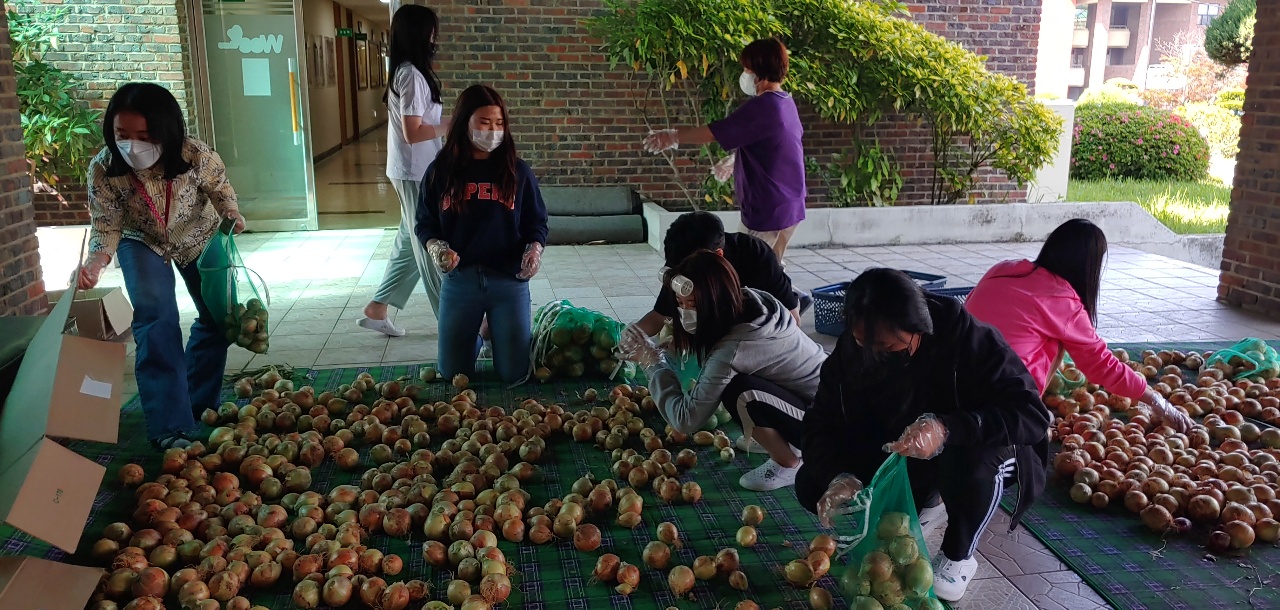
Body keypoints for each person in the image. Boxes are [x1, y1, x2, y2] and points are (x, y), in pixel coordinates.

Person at [796, 268, 1052, 603]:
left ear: (919, 329)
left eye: (888, 345)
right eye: (863, 343)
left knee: (970, 464)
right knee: (810, 484)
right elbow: (819, 422)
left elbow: (1032, 415)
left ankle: (959, 555)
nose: (874, 353)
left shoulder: (968, 341)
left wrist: (947, 428)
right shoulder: (851, 351)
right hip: (902, 452)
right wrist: (837, 475)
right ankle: (930, 500)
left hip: (969, 448)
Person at [78, 83, 245, 450]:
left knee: (218, 317)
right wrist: (97, 261)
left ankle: (198, 402)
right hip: (142, 242)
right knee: (157, 318)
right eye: (122, 135)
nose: (132, 145)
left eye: (144, 135)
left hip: (198, 236)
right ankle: (170, 426)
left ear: (166, 130)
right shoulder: (104, 168)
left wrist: (231, 214)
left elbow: (221, 189)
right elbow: (107, 223)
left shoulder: (195, 155)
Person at [619, 251, 827, 491]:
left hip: (825, 421)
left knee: (738, 392)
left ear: (715, 302)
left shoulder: (736, 348)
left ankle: (790, 463)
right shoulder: (748, 300)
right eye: (680, 304)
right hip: (816, 395)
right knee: (738, 385)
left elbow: (686, 421)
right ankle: (781, 437)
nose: (685, 312)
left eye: (694, 305)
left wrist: (651, 361)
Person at [965, 219, 1193, 432]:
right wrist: (1158, 401)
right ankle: (1025, 413)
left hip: (952, 377)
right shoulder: (1062, 299)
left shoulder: (1004, 268)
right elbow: (1101, 364)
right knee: (1058, 341)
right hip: (997, 398)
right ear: (1088, 266)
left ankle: (1028, 410)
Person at [416, 85, 548, 384]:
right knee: (453, 373)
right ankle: (477, 337)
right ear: (465, 123)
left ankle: (494, 332)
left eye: (499, 124)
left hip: (508, 281)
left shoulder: (518, 172)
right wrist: (436, 247)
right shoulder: (441, 172)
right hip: (460, 281)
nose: (493, 131)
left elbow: (537, 223)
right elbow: (424, 222)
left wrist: (534, 249)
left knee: (514, 373)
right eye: (485, 123)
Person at [642, 38, 806, 262]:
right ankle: (784, 297)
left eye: (746, 69)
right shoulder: (785, 102)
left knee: (744, 271)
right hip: (788, 206)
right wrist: (734, 159)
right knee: (771, 270)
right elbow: (773, 145)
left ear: (758, 70)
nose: (745, 74)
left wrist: (672, 136)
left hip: (768, 211)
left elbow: (714, 132)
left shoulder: (763, 106)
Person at [358, 5, 449, 337]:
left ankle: (377, 308)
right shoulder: (410, 74)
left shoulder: (410, 73)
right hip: (414, 172)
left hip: (415, 170)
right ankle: (456, 326)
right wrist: (454, 124)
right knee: (430, 247)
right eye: (431, 30)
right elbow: (414, 132)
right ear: (419, 34)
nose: (435, 37)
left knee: (409, 239)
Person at [631, 212, 810, 341]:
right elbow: (660, 315)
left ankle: (794, 293)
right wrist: (625, 339)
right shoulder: (680, 260)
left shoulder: (756, 257)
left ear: (718, 255)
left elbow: (793, 320)